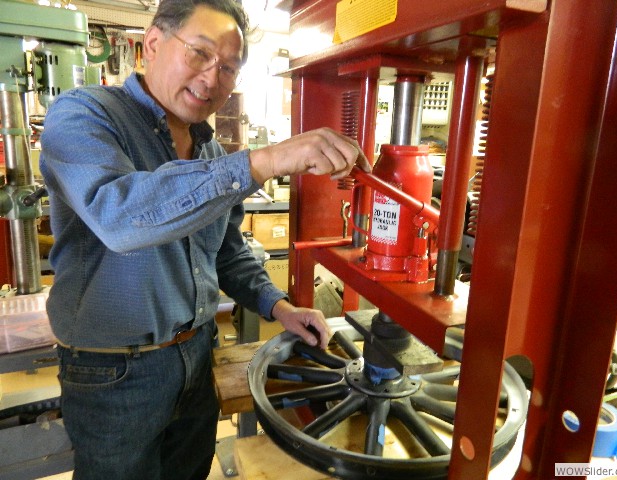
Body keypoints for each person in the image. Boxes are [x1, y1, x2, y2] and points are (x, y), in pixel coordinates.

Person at [38, 0, 370, 478]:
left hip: (197, 356)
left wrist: (279, 307)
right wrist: (263, 162)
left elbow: (227, 250)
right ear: (152, 44)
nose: (213, 78)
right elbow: (119, 215)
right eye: (199, 53)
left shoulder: (209, 149)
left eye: (229, 67)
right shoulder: (84, 114)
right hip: (114, 373)